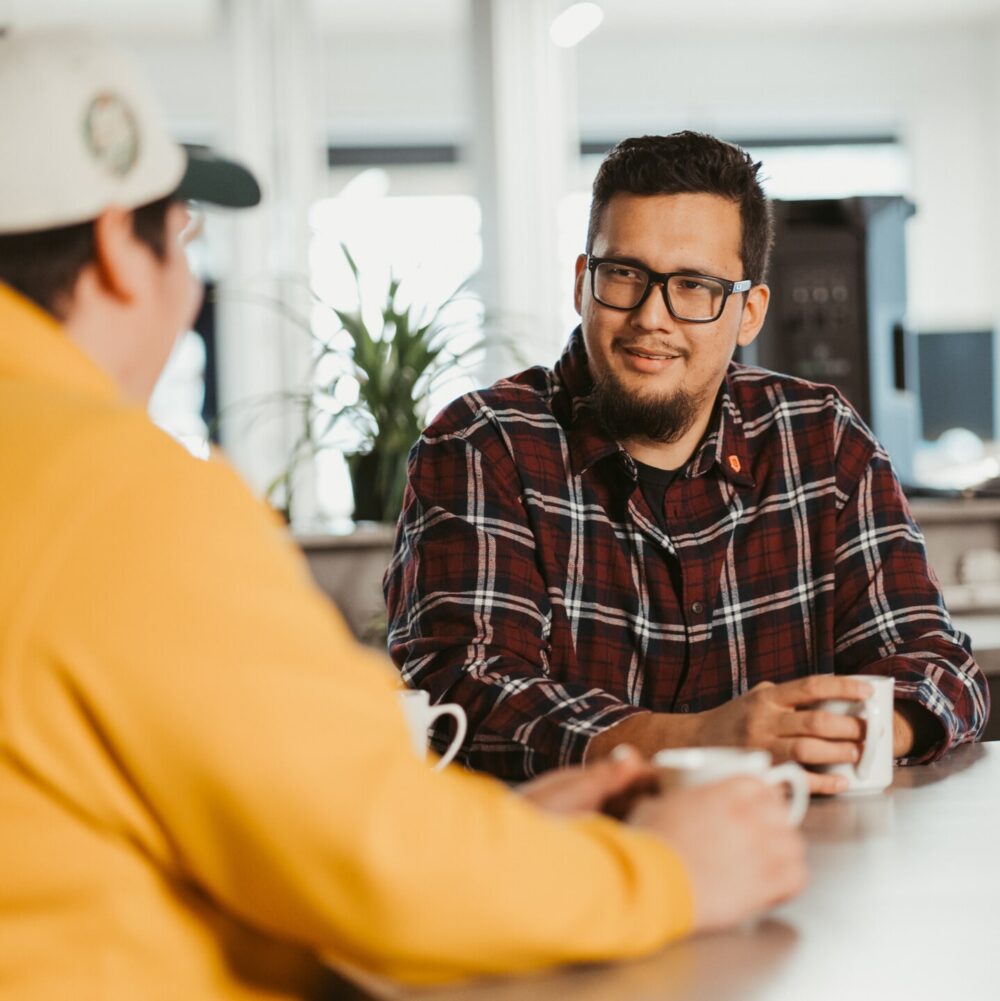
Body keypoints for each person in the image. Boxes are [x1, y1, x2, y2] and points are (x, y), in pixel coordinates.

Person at [0, 30, 807, 1000]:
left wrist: (492, 837)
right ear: (116, 254)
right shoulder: (115, 494)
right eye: (186, 236)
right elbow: (371, 860)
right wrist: (668, 874)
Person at [385, 131, 990, 789]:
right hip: (567, 874)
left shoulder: (821, 439)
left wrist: (858, 731)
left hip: (800, 858)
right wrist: (702, 740)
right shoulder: (483, 444)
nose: (652, 316)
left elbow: (935, 663)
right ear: (584, 283)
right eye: (625, 274)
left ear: (749, 311)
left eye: (695, 285)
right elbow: (467, 693)